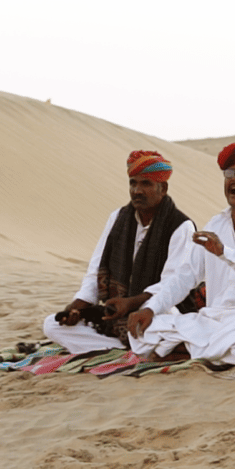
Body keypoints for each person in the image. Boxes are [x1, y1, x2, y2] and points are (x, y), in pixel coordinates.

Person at [125, 143, 235, 365]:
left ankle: (187, 350)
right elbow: (185, 276)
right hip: (214, 319)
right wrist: (151, 307)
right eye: (229, 174)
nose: (234, 179)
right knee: (145, 330)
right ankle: (206, 351)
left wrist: (226, 253)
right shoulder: (216, 224)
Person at [42, 151, 196, 354]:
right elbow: (95, 272)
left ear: (163, 188)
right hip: (116, 314)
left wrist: (131, 303)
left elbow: (172, 284)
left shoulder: (181, 226)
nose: (137, 191)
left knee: (159, 325)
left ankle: (119, 347)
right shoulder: (118, 218)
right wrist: (76, 307)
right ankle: (120, 349)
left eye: (146, 184)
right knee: (51, 325)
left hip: (159, 308)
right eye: (133, 183)